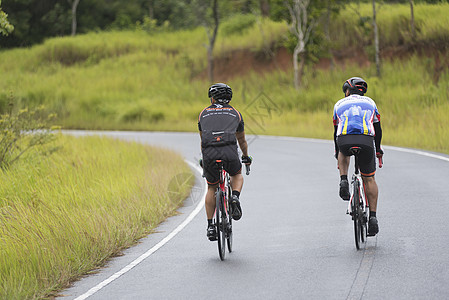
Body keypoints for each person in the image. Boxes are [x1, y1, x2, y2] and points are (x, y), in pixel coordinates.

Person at [198, 83, 252, 241]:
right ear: (229, 98)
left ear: (212, 98)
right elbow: (241, 140)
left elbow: (204, 139)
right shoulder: (236, 113)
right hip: (229, 151)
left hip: (209, 153)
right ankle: (235, 197)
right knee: (236, 173)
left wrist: (204, 158)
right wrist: (246, 157)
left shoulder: (203, 114)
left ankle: (210, 226)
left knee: (212, 187)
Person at [333, 77, 383, 236]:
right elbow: (378, 129)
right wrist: (378, 149)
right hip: (366, 141)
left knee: (342, 151)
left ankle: (343, 180)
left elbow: (335, 132)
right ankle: (373, 218)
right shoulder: (371, 103)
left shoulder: (339, 104)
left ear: (348, 91)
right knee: (369, 179)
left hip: (345, 140)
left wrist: (336, 152)